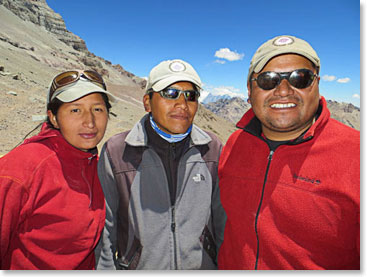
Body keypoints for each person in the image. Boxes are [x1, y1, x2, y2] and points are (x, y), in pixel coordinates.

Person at [218, 35, 360, 270]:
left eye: (300, 78)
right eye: (267, 80)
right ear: (250, 89)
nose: (283, 90)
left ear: (317, 83)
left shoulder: (357, 155)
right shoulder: (234, 145)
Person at [96, 59, 226, 270]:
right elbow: (105, 234)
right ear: (147, 102)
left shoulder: (212, 149)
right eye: (170, 93)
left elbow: (223, 226)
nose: (182, 105)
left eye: (190, 96)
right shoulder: (118, 152)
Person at [0, 70, 116, 269]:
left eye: (98, 109)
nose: (89, 122)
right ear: (53, 117)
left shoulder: (99, 165)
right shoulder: (21, 169)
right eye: (75, 110)